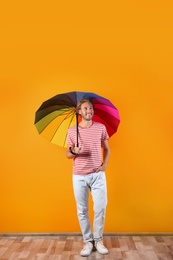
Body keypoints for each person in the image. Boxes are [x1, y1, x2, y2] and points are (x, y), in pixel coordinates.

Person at [66, 98, 110, 257]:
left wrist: (104, 165)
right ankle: (88, 241)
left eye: (91, 108)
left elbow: (107, 148)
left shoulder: (100, 128)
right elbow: (67, 155)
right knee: (82, 210)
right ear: (79, 111)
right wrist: (74, 151)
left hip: (98, 174)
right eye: (85, 109)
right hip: (79, 176)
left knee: (101, 207)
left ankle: (98, 240)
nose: (89, 111)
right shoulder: (72, 131)